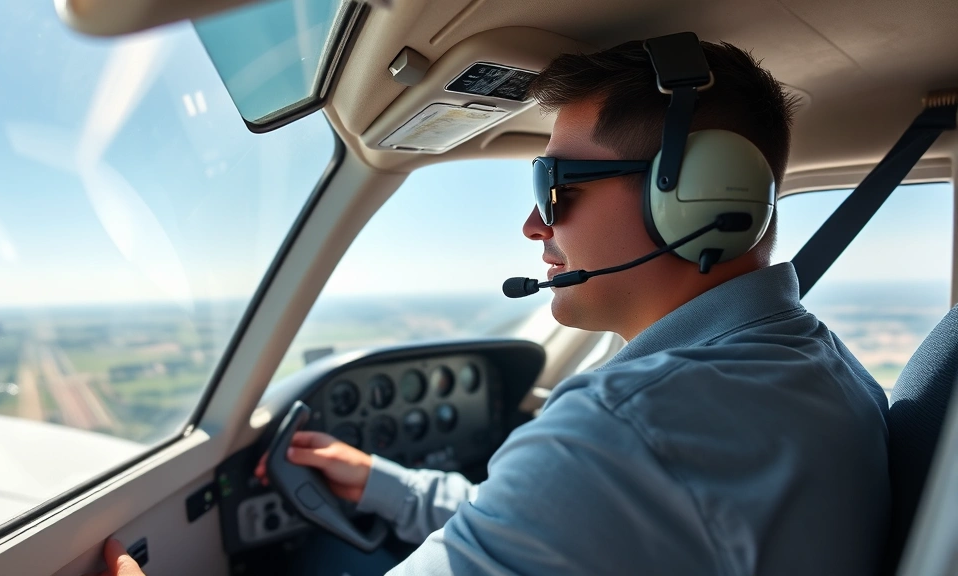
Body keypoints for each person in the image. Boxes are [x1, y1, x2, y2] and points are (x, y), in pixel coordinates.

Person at [102, 39, 889, 575]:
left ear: (698, 198)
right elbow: (563, 521)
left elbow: (594, 484)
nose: (533, 223)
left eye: (556, 186)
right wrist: (390, 484)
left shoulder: (631, 426)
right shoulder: (818, 366)